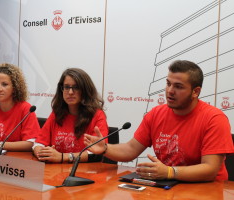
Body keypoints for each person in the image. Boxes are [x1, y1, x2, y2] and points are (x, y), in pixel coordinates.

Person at [84, 60, 234, 182]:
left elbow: (210, 169)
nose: (170, 91)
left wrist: (169, 172)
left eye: (178, 86)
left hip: (207, 190)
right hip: (167, 185)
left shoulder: (214, 119)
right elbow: (130, 149)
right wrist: (105, 148)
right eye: (168, 84)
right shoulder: (156, 114)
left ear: (196, 92)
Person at [33, 68, 108, 163]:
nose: (70, 92)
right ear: (62, 89)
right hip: (55, 172)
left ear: (85, 90)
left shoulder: (97, 115)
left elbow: (96, 152)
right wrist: (42, 153)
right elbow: (38, 143)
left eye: (76, 87)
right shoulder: (57, 113)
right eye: (67, 87)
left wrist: (62, 157)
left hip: (84, 173)